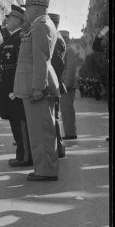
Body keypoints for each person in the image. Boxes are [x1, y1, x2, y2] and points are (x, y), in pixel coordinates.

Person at [13, 0, 60, 181]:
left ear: (35, 9)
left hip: (38, 86)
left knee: (41, 131)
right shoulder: (39, 25)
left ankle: (46, 170)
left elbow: (41, 59)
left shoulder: (41, 26)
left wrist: (38, 88)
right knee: (39, 130)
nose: (25, 13)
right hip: (34, 84)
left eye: (27, 9)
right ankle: (43, 167)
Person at [0, 5, 32, 167]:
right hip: (9, 87)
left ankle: (25, 156)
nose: (7, 20)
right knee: (14, 120)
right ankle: (22, 153)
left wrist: (17, 88)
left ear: (19, 20)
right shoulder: (12, 38)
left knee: (20, 121)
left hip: (16, 87)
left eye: (10, 17)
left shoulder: (21, 38)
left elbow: (22, 65)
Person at [48, 13, 67, 158]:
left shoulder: (57, 39)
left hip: (53, 83)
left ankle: (58, 148)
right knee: (54, 116)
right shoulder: (58, 38)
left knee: (54, 116)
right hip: (55, 82)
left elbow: (57, 64)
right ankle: (58, 147)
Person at [60, 30, 78, 141]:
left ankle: (71, 133)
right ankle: (69, 132)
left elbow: (71, 69)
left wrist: (65, 84)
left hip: (68, 85)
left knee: (67, 110)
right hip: (65, 84)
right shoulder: (64, 49)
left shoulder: (69, 50)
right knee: (65, 110)